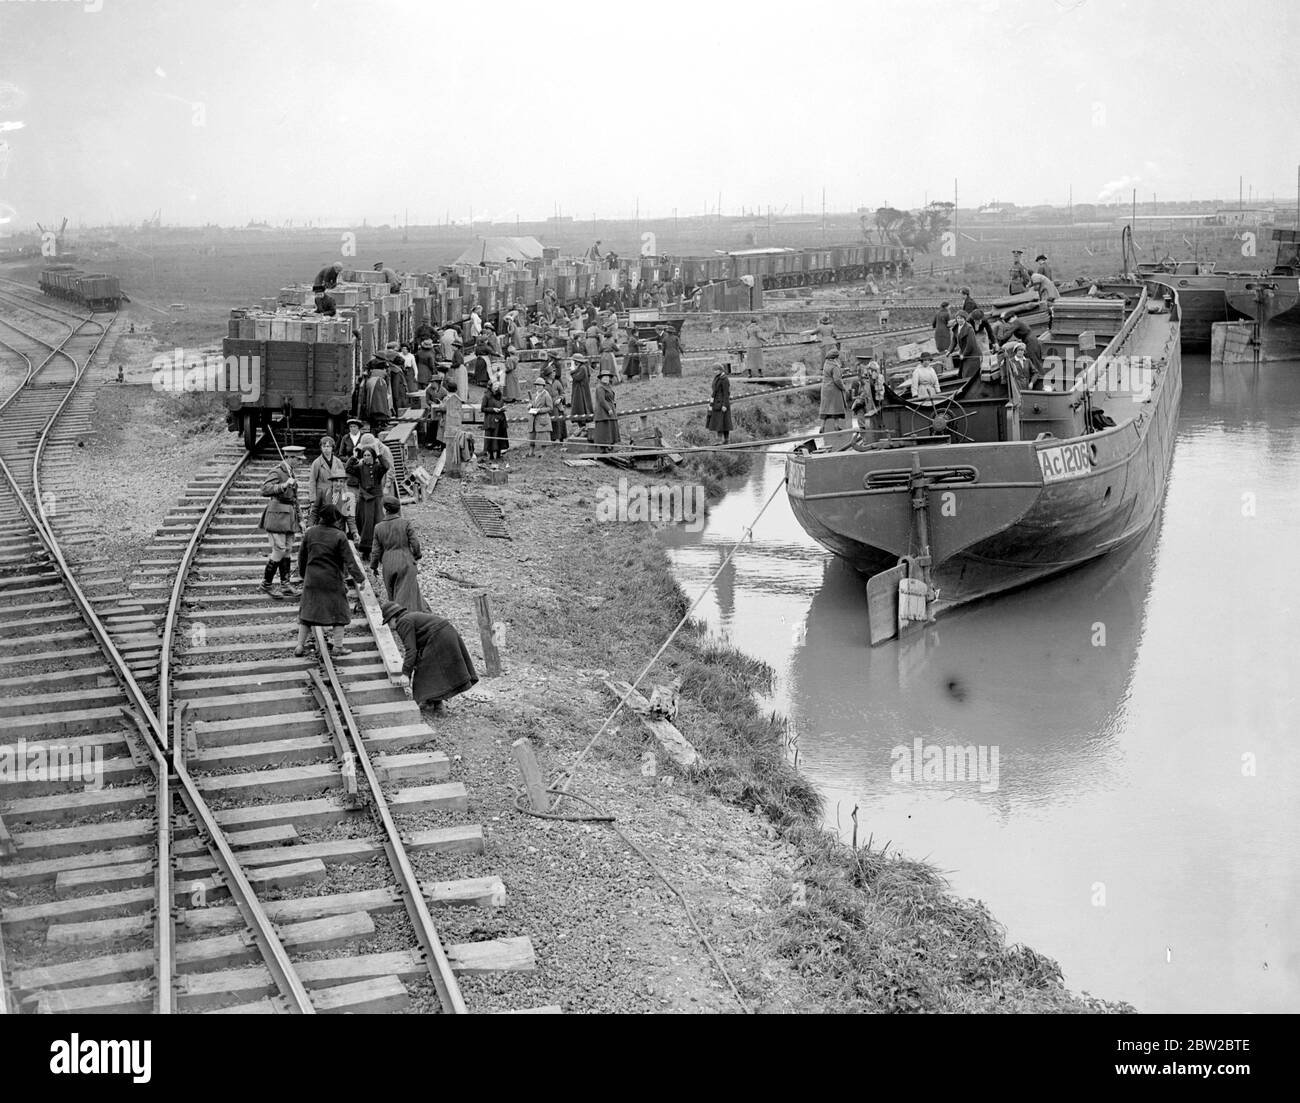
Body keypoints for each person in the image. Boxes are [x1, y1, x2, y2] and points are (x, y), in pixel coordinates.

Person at [380, 601, 479, 713]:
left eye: (389, 622)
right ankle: (432, 702)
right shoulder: (409, 618)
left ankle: (435, 705)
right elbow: (416, 650)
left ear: (393, 617)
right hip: (446, 634)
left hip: (439, 637)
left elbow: (411, 650)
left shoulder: (403, 622)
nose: (390, 626)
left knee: (425, 670)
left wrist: (405, 674)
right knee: (429, 670)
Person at [294, 503, 363, 657]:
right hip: (332, 580)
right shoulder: (339, 536)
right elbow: (349, 561)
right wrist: (360, 579)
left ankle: (299, 646)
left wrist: (305, 575)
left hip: (312, 579)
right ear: (335, 520)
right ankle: (338, 647)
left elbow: (302, 557)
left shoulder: (310, 533)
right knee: (339, 612)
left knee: (306, 613)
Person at [369, 497, 429, 613]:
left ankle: (396, 618)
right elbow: (415, 543)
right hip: (406, 561)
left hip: (388, 563)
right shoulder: (405, 523)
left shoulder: (378, 527)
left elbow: (375, 551)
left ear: (385, 509)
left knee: (392, 593)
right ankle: (409, 618)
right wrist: (416, 555)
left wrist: (374, 566)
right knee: (407, 593)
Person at [258, 447, 304, 598]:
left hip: (289, 516)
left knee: (288, 550)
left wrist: (301, 519)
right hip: (277, 515)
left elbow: (294, 499)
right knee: (279, 549)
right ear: (290, 458)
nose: (300, 462)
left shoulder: (291, 472)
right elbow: (265, 489)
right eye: (298, 459)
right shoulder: (277, 471)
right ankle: (266, 584)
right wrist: (283, 486)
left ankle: (285, 585)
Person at [345, 443, 389, 558]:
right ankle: (365, 550)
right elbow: (348, 468)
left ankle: (379, 551)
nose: (366, 457)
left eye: (368, 455)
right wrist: (354, 456)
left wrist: (379, 454)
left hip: (376, 499)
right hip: (365, 499)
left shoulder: (378, 467)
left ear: (373, 456)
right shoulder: (359, 467)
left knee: (378, 523)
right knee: (365, 523)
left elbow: (386, 466)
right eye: (364, 455)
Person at [308, 435, 348, 526]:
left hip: (335, 492)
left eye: (328, 446)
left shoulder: (338, 462)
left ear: (332, 448)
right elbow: (312, 481)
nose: (326, 449)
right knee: (322, 518)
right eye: (324, 446)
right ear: (321, 448)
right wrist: (313, 499)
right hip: (322, 494)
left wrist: (345, 495)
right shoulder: (317, 462)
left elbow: (343, 479)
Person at [359, 357, 393, 432]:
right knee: (382, 402)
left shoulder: (369, 375)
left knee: (372, 401)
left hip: (371, 410)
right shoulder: (384, 375)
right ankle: (381, 423)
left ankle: (374, 425)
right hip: (382, 410)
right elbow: (389, 393)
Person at [819, 348, 848, 433]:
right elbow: (837, 380)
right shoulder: (835, 367)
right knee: (836, 407)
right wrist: (843, 387)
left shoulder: (826, 364)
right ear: (835, 358)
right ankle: (836, 425)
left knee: (825, 408)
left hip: (825, 389)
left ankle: (822, 426)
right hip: (833, 389)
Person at [854, 356, 886, 431]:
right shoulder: (866, 380)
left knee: (862, 408)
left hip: (874, 401)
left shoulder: (878, 379)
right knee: (858, 407)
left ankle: (870, 428)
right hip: (866, 400)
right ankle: (863, 428)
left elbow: (879, 393)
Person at [527, 372, 554, 458]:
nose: (537, 387)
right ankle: (531, 452)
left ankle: (542, 453)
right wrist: (530, 406)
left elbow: (550, 408)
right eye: (536, 385)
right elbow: (532, 403)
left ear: (543, 386)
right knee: (532, 435)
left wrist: (539, 410)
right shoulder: (535, 395)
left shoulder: (546, 395)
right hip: (534, 418)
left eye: (539, 385)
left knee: (543, 436)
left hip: (542, 418)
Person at [481, 381, 510, 462]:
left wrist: (503, 408)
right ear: (491, 386)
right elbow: (483, 408)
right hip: (491, 419)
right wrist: (493, 409)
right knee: (492, 436)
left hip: (500, 418)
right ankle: (490, 455)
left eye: (498, 385)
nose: (497, 386)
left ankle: (498, 454)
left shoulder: (500, 395)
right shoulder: (486, 396)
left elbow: (501, 403)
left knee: (500, 435)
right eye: (495, 385)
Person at [592, 368, 619, 450]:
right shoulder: (600, 387)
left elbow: (611, 398)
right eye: (604, 377)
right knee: (604, 429)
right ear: (601, 378)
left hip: (610, 410)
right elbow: (601, 400)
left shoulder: (608, 386)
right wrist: (608, 409)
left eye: (607, 377)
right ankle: (604, 447)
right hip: (603, 411)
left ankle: (610, 445)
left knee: (610, 428)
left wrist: (613, 405)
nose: (606, 379)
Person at [420, 374, 448, 449]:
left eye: (433, 382)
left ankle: (440, 442)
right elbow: (427, 400)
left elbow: (446, 401)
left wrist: (441, 403)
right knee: (430, 423)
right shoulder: (428, 390)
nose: (432, 384)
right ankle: (431, 441)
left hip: (441, 411)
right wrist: (432, 403)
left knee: (441, 425)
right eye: (431, 382)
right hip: (432, 410)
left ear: (437, 383)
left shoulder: (444, 391)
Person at [951, 312, 982, 379]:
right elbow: (954, 340)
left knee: (970, 374)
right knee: (964, 373)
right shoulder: (956, 328)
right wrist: (949, 351)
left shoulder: (969, 328)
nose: (959, 320)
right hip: (964, 355)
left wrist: (963, 355)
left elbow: (970, 344)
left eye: (961, 318)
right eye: (958, 318)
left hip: (972, 355)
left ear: (965, 319)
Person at [707, 363, 732, 445]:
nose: (714, 372)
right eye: (714, 370)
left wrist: (725, 405)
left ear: (721, 370)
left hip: (722, 403)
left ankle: (722, 440)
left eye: (716, 370)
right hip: (716, 402)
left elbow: (726, 393)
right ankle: (724, 440)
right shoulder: (717, 378)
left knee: (722, 422)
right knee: (721, 422)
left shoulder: (724, 379)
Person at [569, 353, 594, 429]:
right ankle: (581, 425)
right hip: (578, 390)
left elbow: (577, 378)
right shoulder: (581, 367)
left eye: (574, 361)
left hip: (581, 391)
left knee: (581, 406)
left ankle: (583, 423)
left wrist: (572, 371)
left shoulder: (583, 368)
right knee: (579, 405)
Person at [547, 365, 568, 446]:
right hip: (550, 407)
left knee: (560, 422)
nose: (554, 374)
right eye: (552, 372)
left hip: (558, 406)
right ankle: (553, 439)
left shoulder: (557, 382)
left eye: (554, 372)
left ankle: (562, 439)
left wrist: (560, 399)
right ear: (548, 374)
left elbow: (563, 393)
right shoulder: (545, 385)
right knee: (553, 424)